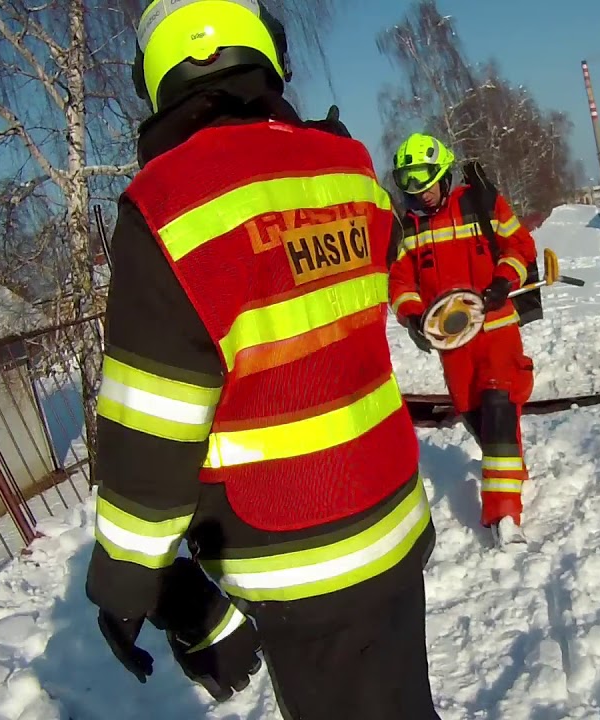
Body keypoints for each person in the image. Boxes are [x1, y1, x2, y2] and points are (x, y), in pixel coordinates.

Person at [84, 2, 438, 718]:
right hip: (392, 519)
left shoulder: (167, 208)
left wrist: (128, 587)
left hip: (297, 560)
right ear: (268, 50)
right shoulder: (348, 168)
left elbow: (151, 432)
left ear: (155, 76)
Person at [386, 133, 539, 535]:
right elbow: (399, 284)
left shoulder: (482, 202)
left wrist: (504, 280)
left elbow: (521, 248)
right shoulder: (406, 227)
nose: (424, 198)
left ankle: (503, 514)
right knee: (477, 416)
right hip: (452, 343)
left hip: (497, 328)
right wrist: (414, 317)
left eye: (429, 187)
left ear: (444, 176)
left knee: (499, 405)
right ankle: (509, 468)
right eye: (413, 192)